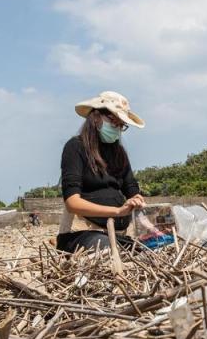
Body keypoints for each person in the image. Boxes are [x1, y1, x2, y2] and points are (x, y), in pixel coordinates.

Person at [57, 91, 145, 253]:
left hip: (117, 234)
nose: (117, 129)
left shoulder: (119, 153)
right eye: (114, 123)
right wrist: (118, 212)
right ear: (96, 117)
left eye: (121, 125)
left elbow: (132, 189)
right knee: (107, 248)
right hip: (81, 233)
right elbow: (72, 202)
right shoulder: (75, 147)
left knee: (149, 251)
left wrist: (142, 211)